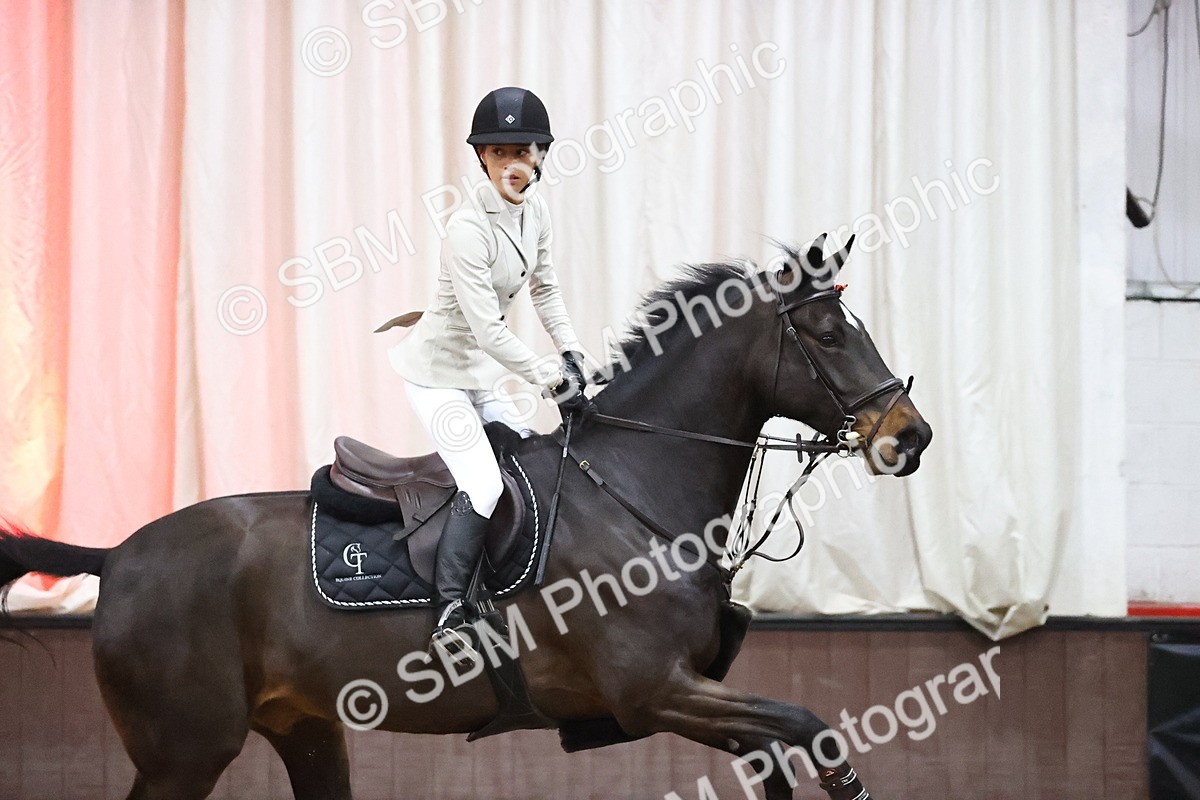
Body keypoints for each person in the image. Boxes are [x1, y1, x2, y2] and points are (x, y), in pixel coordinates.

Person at [382, 87, 590, 655]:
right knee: (483, 481)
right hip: (436, 374)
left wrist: (574, 355)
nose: (513, 164)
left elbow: (546, 290)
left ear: (542, 154)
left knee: (533, 460)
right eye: (500, 153)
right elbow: (488, 332)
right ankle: (450, 606)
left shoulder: (537, 212)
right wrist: (550, 378)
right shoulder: (467, 230)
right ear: (482, 158)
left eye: (523, 151)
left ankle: (520, 584)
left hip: (478, 370)